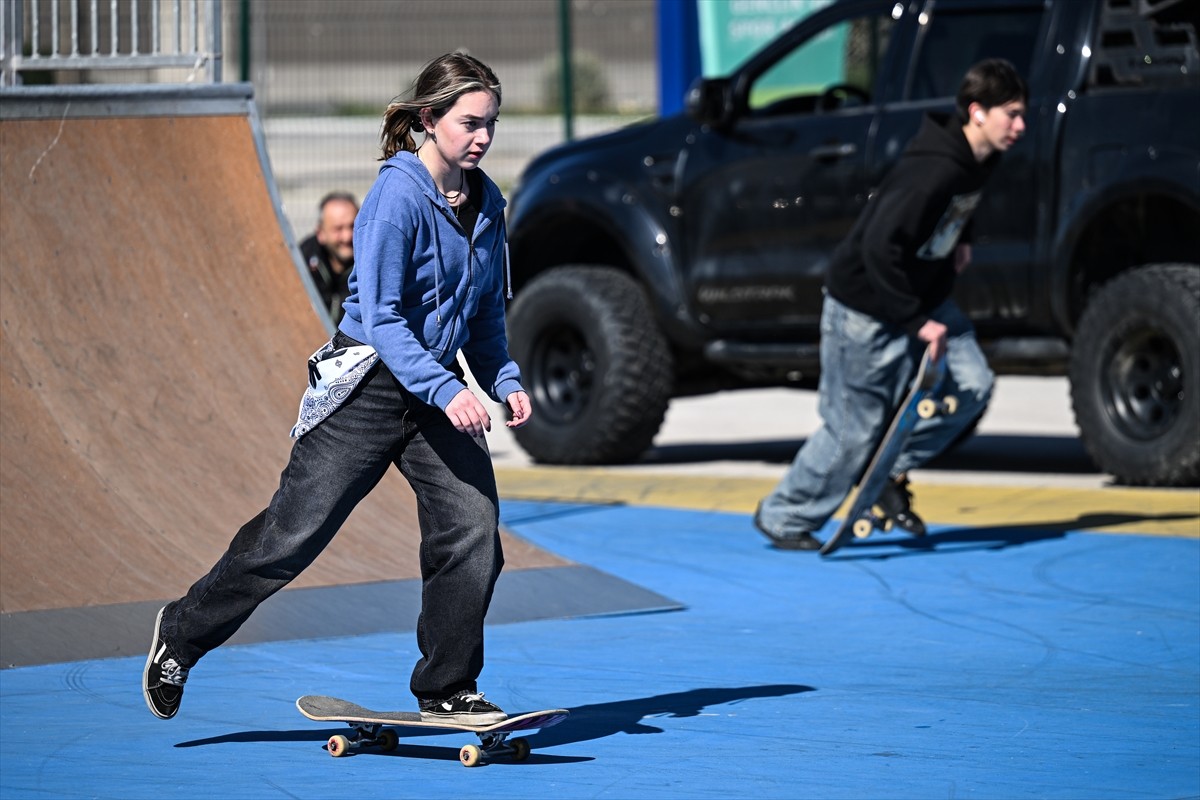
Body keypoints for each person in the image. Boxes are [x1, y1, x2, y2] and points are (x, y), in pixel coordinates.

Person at [143, 52, 532, 724]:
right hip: (368, 389)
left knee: (472, 529)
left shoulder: (488, 201)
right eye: (471, 123)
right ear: (430, 118)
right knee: (290, 538)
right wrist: (447, 390)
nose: (484, 138)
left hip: (435, 392)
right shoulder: (396, 196)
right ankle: (182, 632)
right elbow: (382, 319)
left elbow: (483, 316)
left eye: (491, 124)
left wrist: (503, 379)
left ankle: (446, 687)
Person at [754, 59, 1028, 551]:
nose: (1021, 126)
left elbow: (956, 208)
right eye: (1011, 114)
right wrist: (915, 322)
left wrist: (962, 239)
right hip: (865, 305)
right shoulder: (932, 170)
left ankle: (885, 473)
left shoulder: (981, 158)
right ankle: (783, 514)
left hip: (921, 296)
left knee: (974, 386)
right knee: (851, 431)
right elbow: (879, 247)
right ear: (977, 112)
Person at [299, 192, 358, 324]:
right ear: (321, 233)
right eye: (338, 229)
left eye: (352, 226)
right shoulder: (302, 260)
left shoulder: (372, 264)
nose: (347, 236)